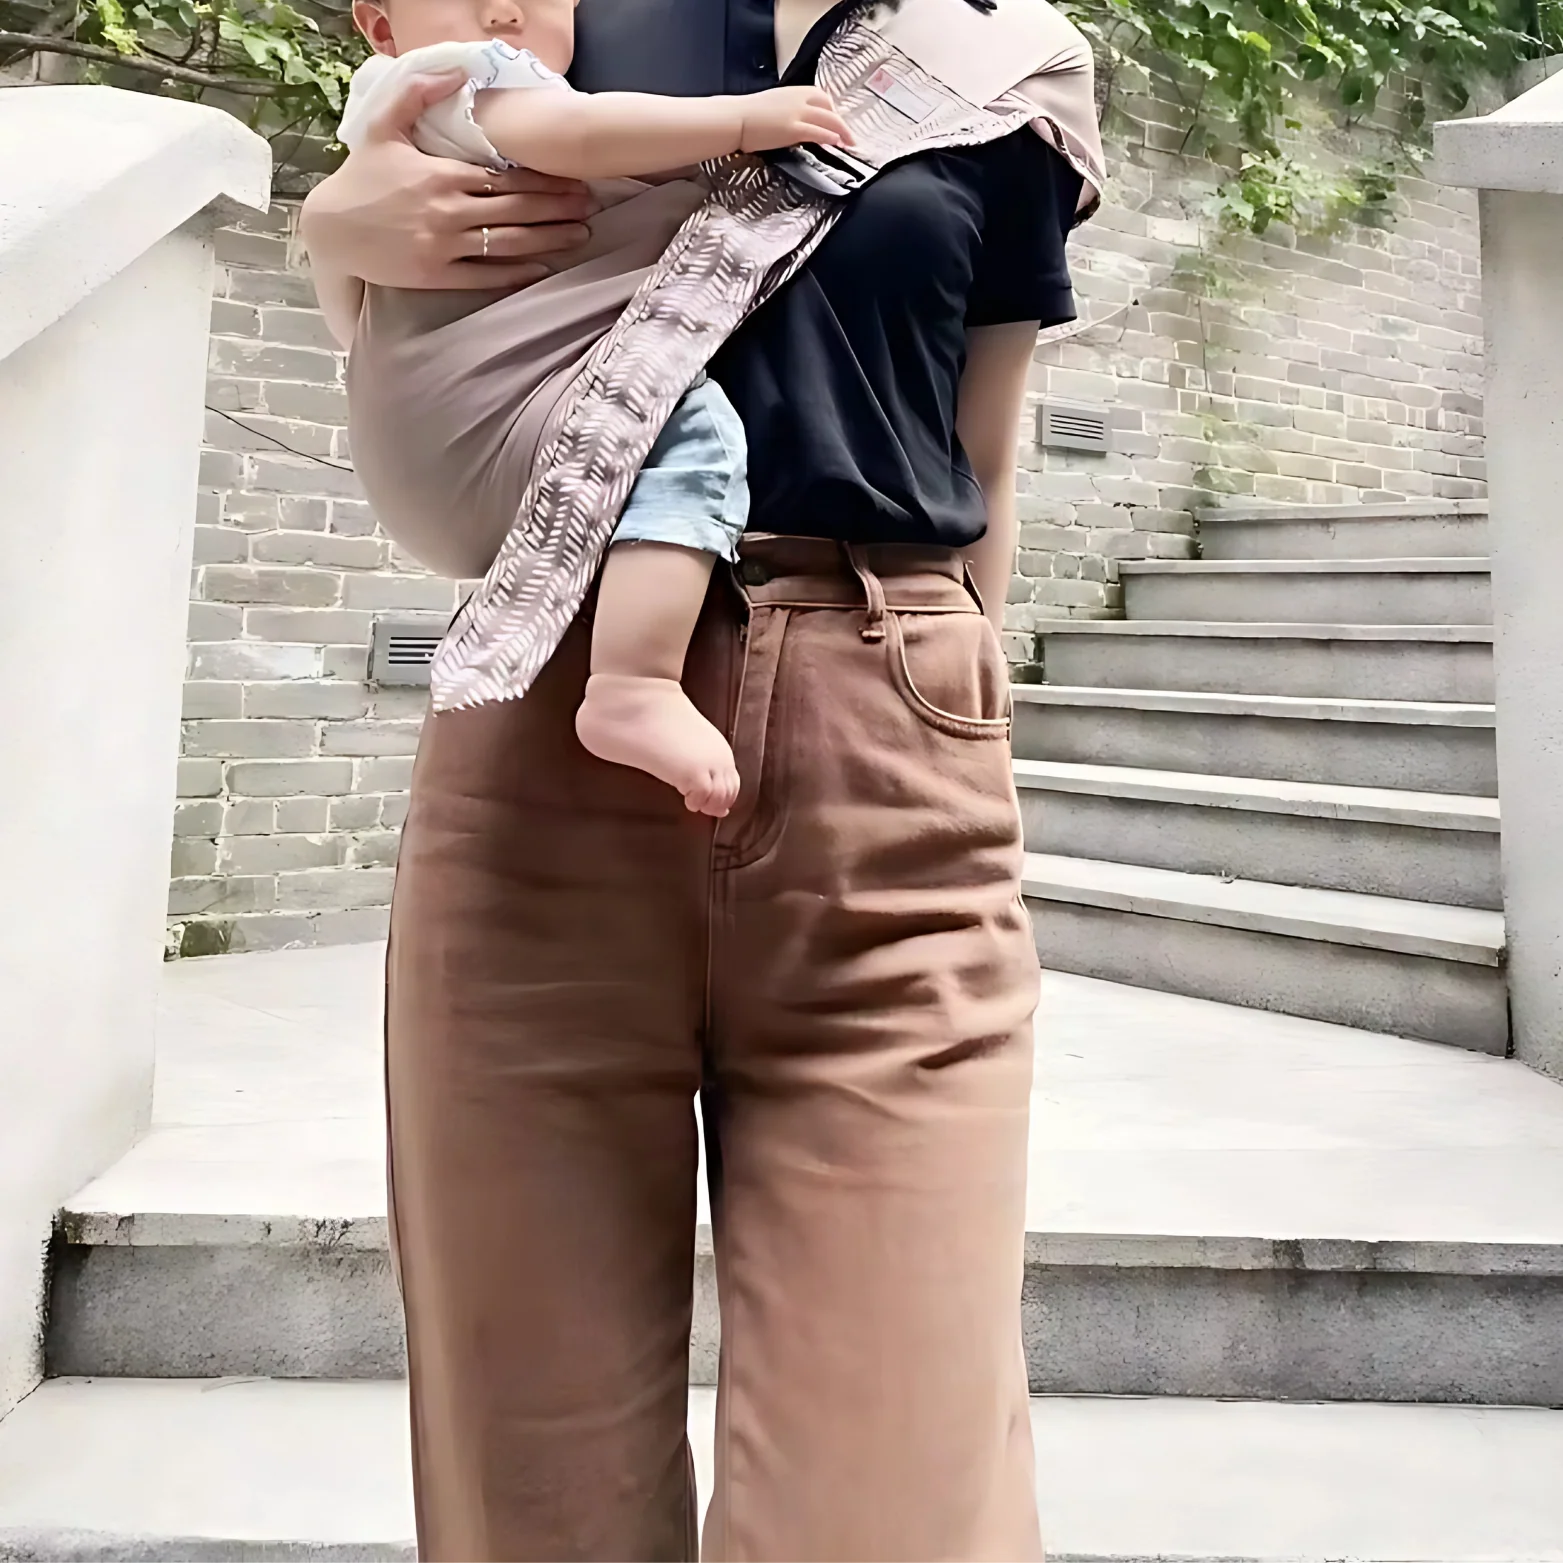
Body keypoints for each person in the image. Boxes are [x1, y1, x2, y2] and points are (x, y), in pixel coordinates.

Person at [301, 0, 1101, 1555]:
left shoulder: (994, 53)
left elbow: (982, 436)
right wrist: (327, 227)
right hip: (548, 716)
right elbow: (409, 304)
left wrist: (954, 701)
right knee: (533, 1472)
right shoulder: (544, 17)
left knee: (889, 1494)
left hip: (884, 739)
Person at [332, 0, 851, 816]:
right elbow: (577, 133)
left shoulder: (378, 121)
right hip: (496, 416)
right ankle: (633, 683)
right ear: (380, 27)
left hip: (412, 442)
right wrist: (742, 121)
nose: (503, 10)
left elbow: (349, 316)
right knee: (692, 432)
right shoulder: (463, 76)